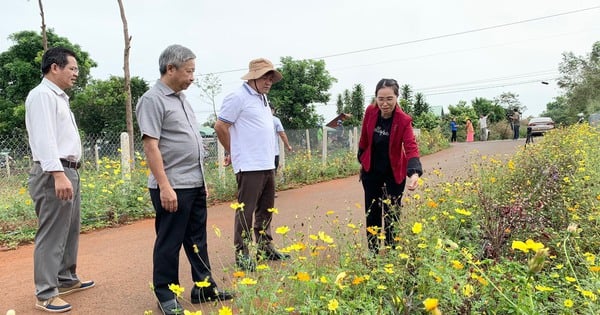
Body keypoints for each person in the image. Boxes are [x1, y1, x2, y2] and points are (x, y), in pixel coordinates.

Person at [135, 44, 233, 315]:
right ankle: (166, 294)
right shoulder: (152, 100)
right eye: (189, 71)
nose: (192, 77)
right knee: (169, 240)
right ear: (170, 69)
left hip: (193, 183)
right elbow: (151, 146)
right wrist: (164, 186)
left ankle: (204, 287)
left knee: (197, 239)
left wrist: (201, 181)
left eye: (193, 71)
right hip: (172, 186)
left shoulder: (182, 100)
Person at [25, 47, 95, 313]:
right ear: (55, 67)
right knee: (53, 232)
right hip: (54, 172)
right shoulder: (42, 95)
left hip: (68, 170)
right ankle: (45, 293)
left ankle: (65, 278)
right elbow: (44, 139)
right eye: (72, 68)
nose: (76, 73)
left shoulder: (58, 97)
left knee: (69, 228)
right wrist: (57, 173)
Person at [214, 58, 290, 272]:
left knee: (266, 208)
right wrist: (233, 152)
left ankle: (265, 247)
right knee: (246, 211)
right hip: (248, 164)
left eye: (271, 78)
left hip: (266, 162)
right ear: (253, 77)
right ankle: (242, 253)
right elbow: (220, 126)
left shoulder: (262, 99)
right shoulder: (237, 97)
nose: (269, 82)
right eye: (265, 77)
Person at [357, 79, 423, 254]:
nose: (384, 104)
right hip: (371, 173)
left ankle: (392, 253)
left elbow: (410, 146)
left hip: (393, 175)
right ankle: (372, 252)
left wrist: (414, 172)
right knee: (372, 213)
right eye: (380, 99)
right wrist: (362, 161)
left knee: (391, 214)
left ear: (396, 97)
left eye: (389, 99)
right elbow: (364, 139)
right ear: (376, 98)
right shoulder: (370, 112)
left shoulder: (403, 120)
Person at [271, 105, 292, 174]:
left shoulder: (258, 119)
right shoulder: (275, 120)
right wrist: (288, 146)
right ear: (273, 110)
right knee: (272, 173)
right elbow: (282, 134)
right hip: (273, 152)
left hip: (260, 153)